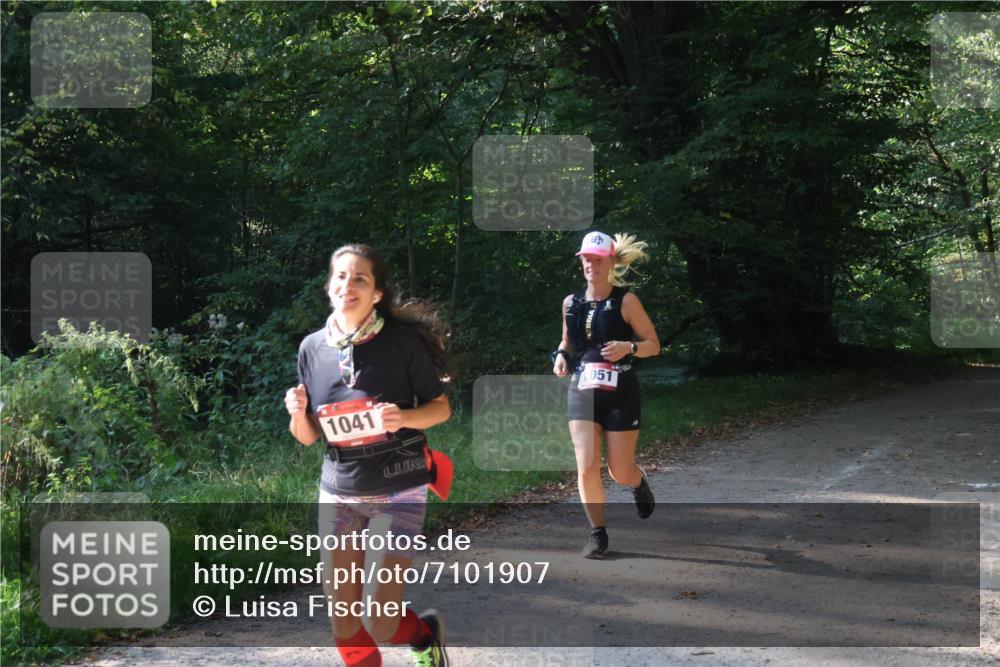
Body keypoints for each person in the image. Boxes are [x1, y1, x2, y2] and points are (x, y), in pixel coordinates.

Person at [285, 244, 452, 667]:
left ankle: (423, 635)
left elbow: (441, 409)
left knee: (378, 619)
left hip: (400, 486)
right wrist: (294, 414)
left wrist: (404, 417)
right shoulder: (311, 348)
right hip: (339, 490)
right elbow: (307, 436)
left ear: (377, 293)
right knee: (343, 621)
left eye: (360, 278)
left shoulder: (402, 343)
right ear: (329, 286)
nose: (348, 285)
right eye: (341, 276)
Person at [552, 231, 661, 559]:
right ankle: (597, 534)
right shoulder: (571, 303)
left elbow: (653, 345)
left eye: (598, 259)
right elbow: (567, 342)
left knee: (618, 470)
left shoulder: (626, 302)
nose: (591, 264)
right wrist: (560, 356)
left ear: (611, 262)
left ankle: (637, 481)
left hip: (621, 392)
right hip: (582, 389)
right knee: (585, 465)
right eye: (586, 258)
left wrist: (629, 347)